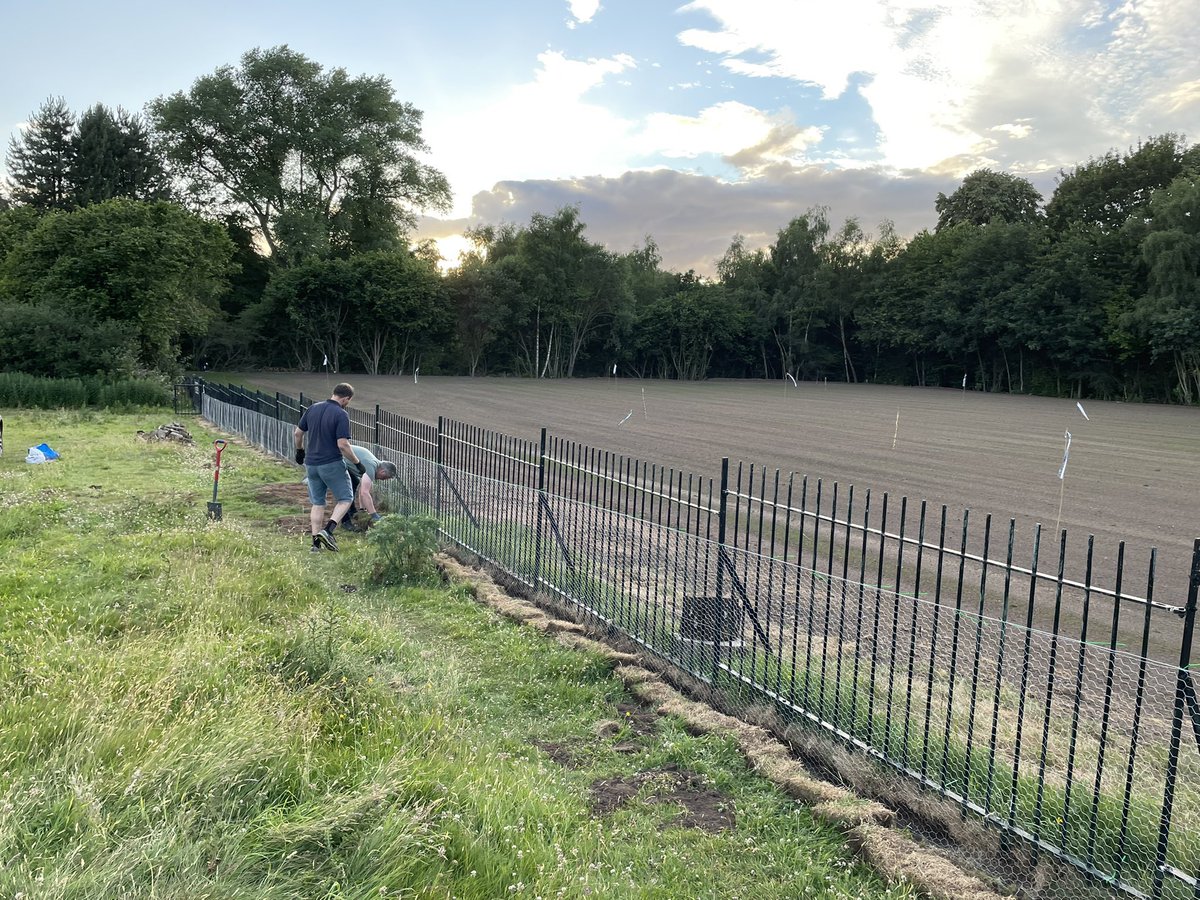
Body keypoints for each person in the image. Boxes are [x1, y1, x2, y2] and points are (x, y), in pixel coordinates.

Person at [293, 382, 365, 552]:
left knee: (318, 503)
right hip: (331, 463)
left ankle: (315, 545)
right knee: (346, 498)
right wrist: (357, 463)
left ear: (334, 393)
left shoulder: (313, 409)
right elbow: (343, 445)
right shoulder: (341, 414)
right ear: (346, 399)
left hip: (311, 464)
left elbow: (297, 433)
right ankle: (328, 530)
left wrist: (300, 451)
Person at [342, 445, 398, 528]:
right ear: (383, 472)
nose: (382, 480)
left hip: (344, 461)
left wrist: (362, 509)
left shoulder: (375, 464)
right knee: (346, 493)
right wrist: (374, 515)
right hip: (336, 459)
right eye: (385, 478)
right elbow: (364, 492)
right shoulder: (371, 467)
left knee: (355, 482)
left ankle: (352, 511)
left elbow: (362, 487)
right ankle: (345, 521)